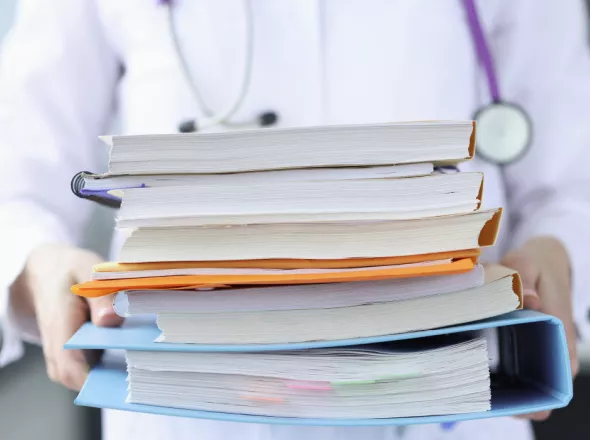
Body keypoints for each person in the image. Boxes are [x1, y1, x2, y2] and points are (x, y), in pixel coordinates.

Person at [1, 0, 589, 439]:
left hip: (451, 403)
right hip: (187, 411)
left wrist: (560, 253)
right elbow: (15, 183)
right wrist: (35, 263)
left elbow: (570, 181)